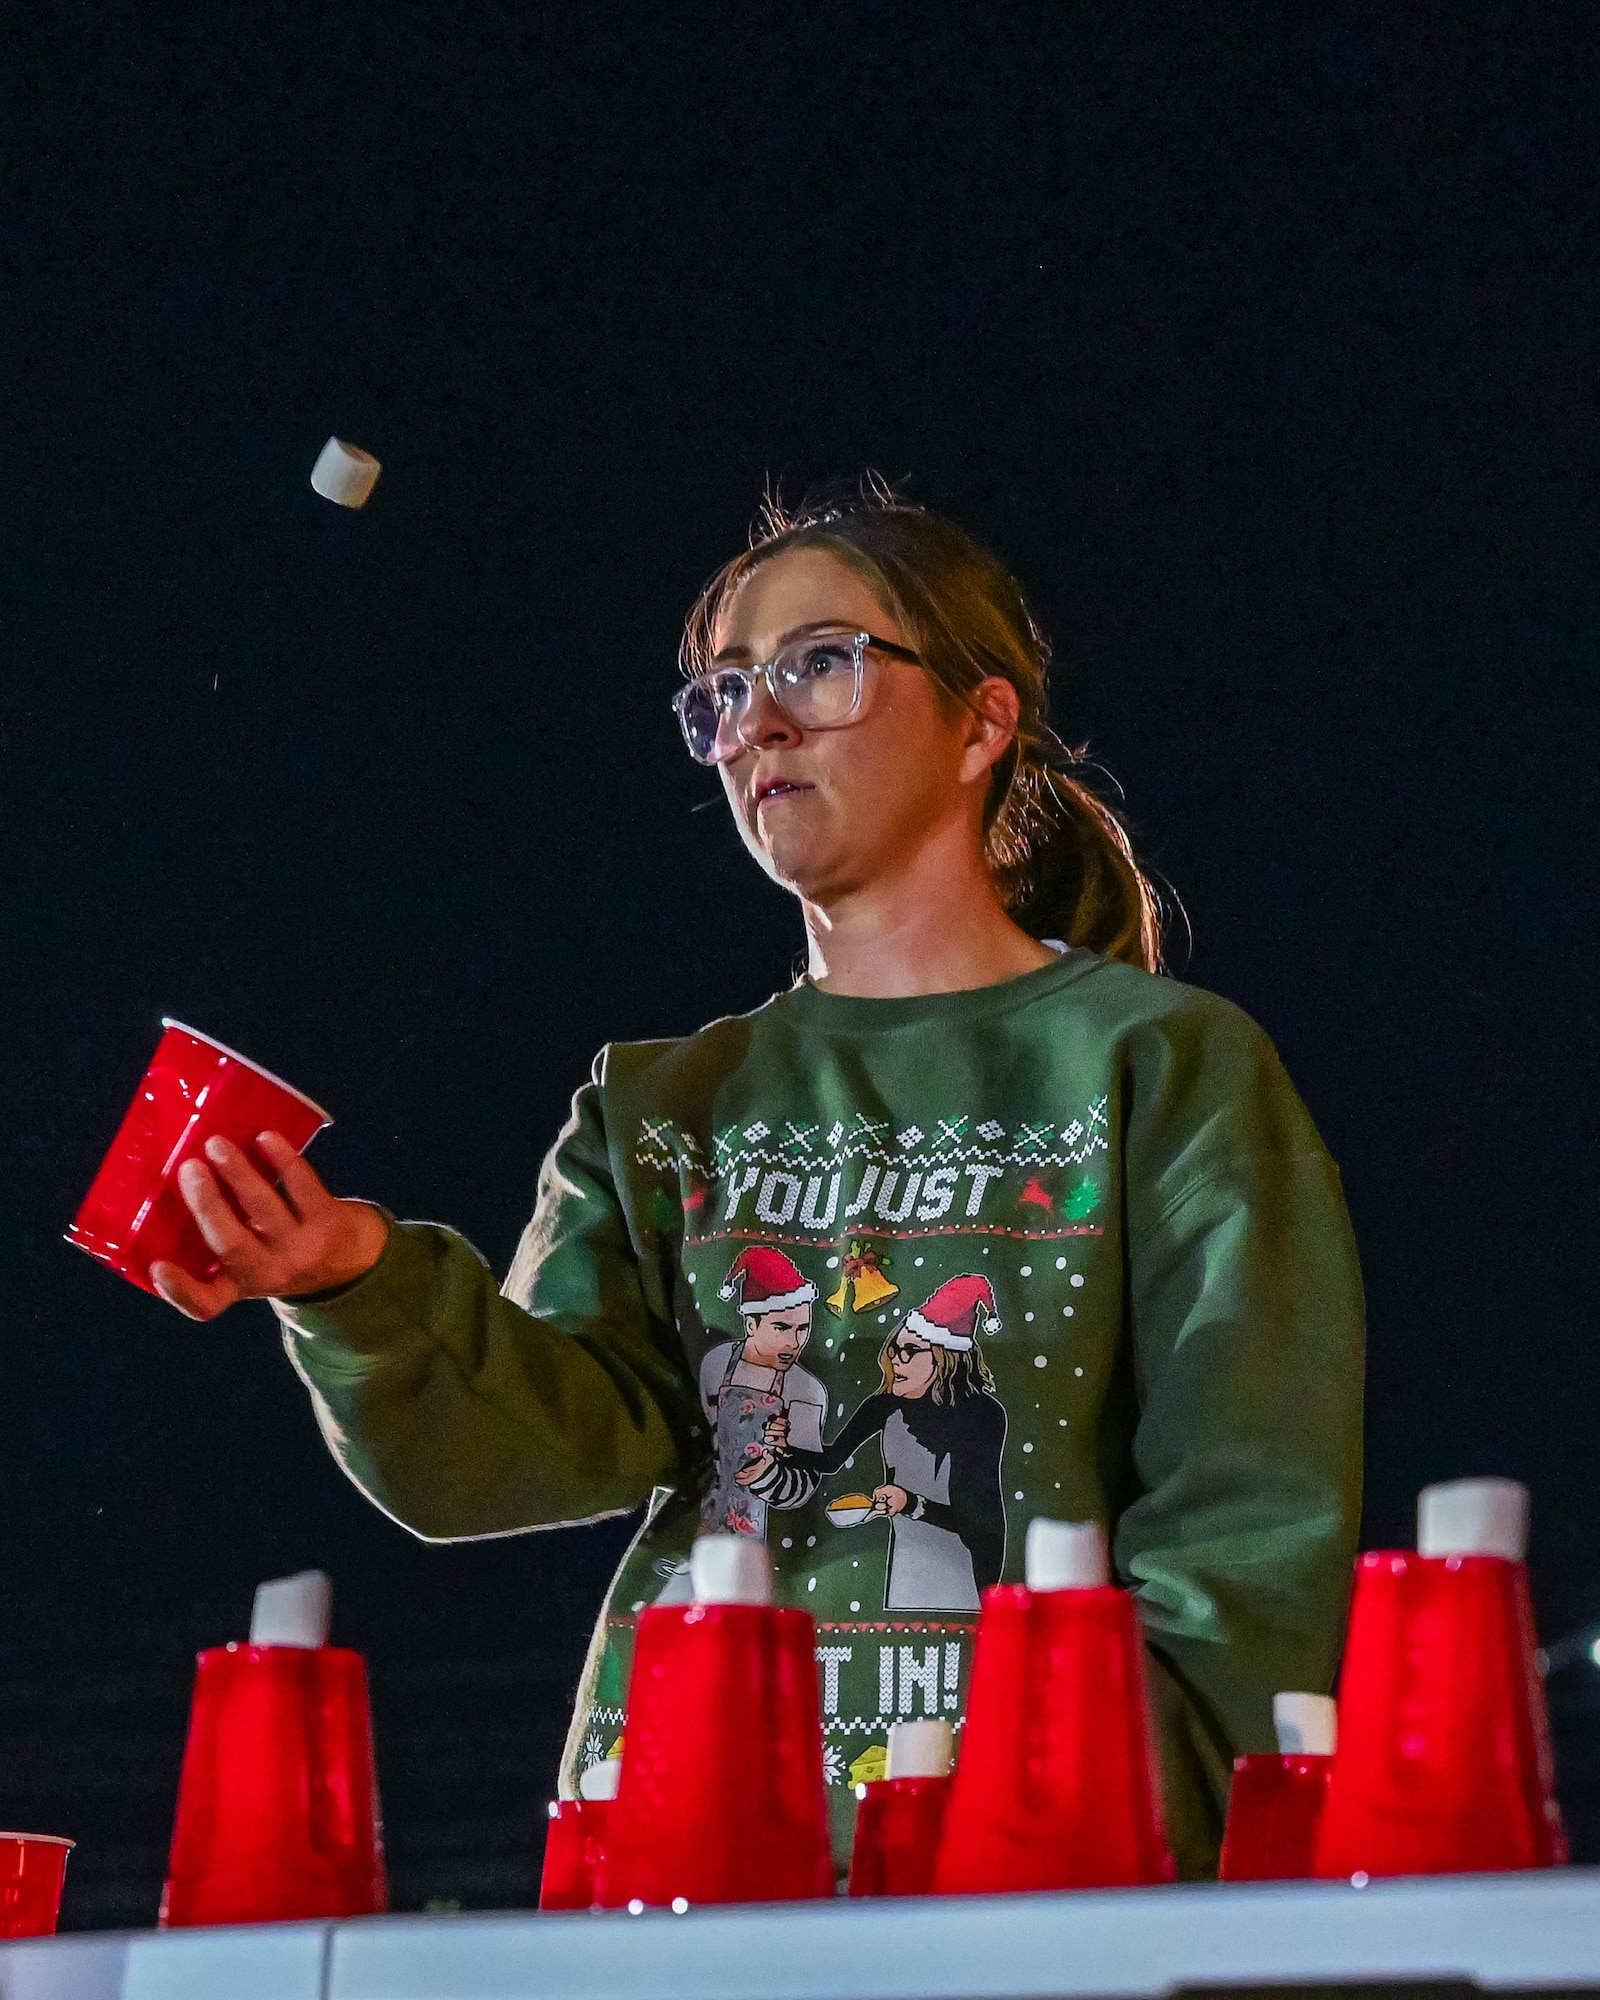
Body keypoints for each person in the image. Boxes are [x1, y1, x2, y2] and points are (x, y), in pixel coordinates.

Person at [150, 482, 1364, 1879]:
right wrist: (355, 1285)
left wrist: (1122, 1801)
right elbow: (537, 1447)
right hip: (686, 1837)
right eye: (725, 692)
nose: (760, 723)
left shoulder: (1160, 1065)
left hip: (1039, 1848)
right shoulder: (658, 1102)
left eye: (821, 663)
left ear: (981, 723)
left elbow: (1248, 1516)